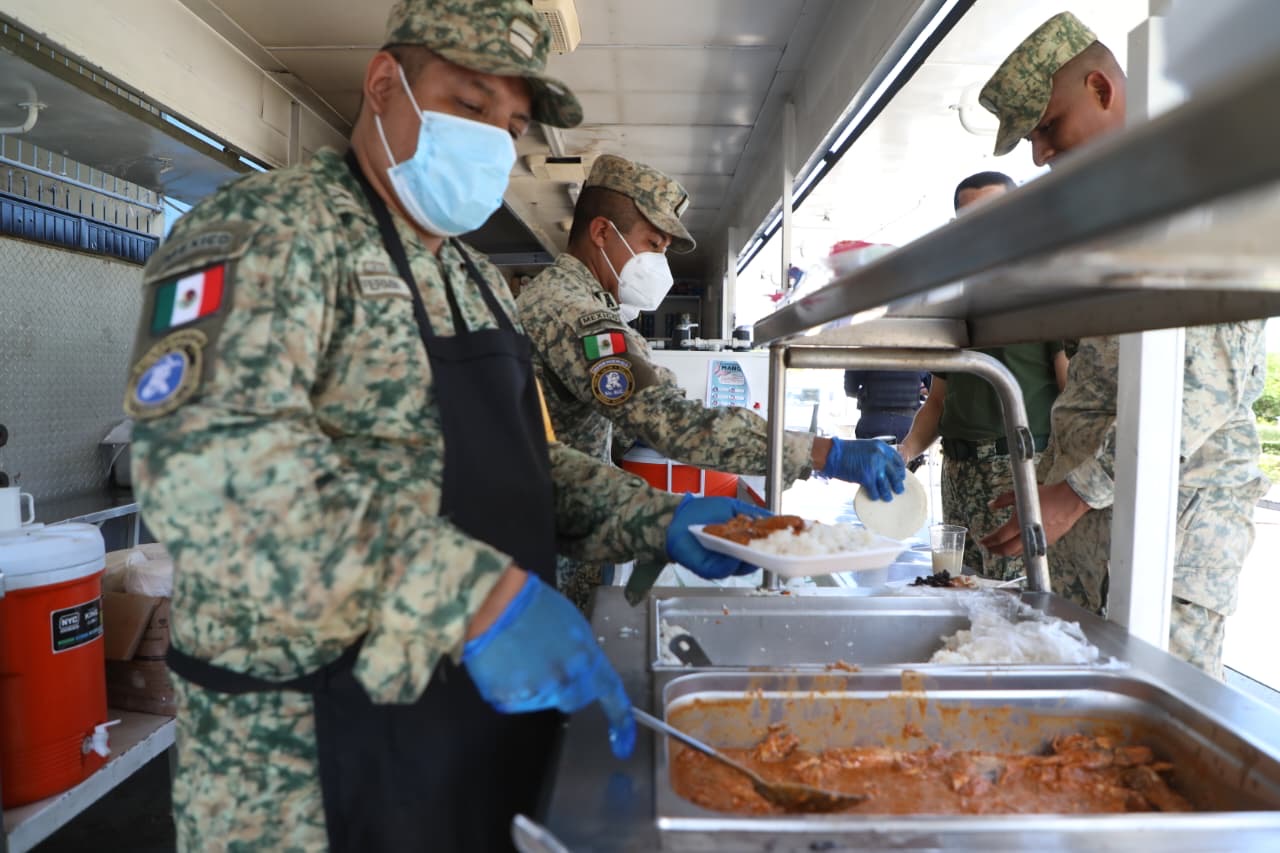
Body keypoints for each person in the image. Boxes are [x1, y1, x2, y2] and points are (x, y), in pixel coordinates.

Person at [123, 2, 770, 850]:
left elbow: (523, 464)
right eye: (469, 104)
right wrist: (477, 597)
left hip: (457, 729)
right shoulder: (266, 232)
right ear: (383, 84)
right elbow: (207, 472)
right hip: (305, 758)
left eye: (512, 124)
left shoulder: (474, 279)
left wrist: (657, 517)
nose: (493, 140)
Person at [976, 12, 1269, 675]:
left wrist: (1074, 491)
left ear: (1102, 89)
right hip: (1099, 531)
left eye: (1047, 127)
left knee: (1155, 719)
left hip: (1171, 536)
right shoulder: (1129, 202)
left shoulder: (1208, 190)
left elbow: (1202, 380)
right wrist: (1053, 478)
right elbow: (1103, 373)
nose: (1039, 156)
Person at [516, 153, 907, 601]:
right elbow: (672, 421)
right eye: (653, 244)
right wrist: (821, 452)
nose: (659, 262)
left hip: (560, 532)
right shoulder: (575, 313)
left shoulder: (567, 299)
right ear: (602, 232)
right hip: (548, 557)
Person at [898, 171, 1068, 581]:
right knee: (960, 583)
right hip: (956, 470)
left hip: (1015, 467)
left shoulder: (1046, 290)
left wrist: (1067, 487)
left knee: (1013, 590)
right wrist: (903, 454)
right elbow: (938, 402)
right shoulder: (958, 301)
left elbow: (1070, 394)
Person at [842, 368, 931, 442]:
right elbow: (934, 391)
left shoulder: (864, 355)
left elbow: (850, 390)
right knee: (907, 456)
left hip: (872, 424)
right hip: (907, 426)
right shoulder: (921, 356)